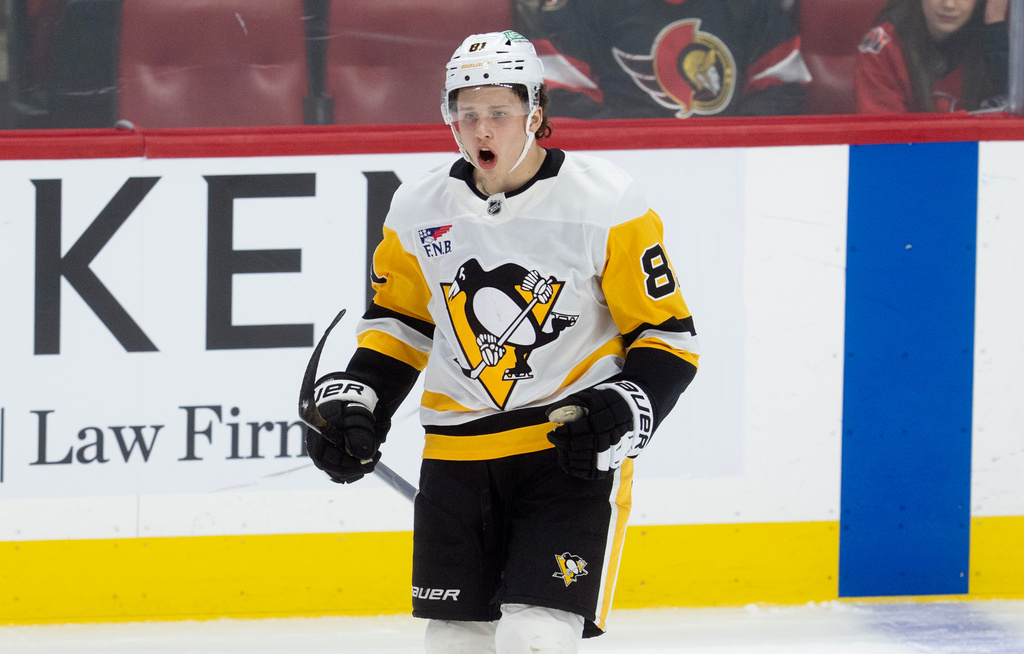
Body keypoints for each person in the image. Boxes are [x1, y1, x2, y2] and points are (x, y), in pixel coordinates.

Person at [303, 30, 699, 654]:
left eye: (499, 113)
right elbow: (399, 327)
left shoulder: (607, 202)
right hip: (457, 456)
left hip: (565, 454)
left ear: (535, 113)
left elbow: (668, 337)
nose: (481, 130)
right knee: (455, 642)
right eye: (467, 114)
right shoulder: (417, 207)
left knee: (535, 637)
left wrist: (626, 405)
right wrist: (362, 400)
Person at [512, 0, 810, 119]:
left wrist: (726, 145)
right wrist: (642, 143)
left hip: (728, 168)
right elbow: (558, 97)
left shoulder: (749, 5)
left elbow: (782, 88)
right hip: (619, 171)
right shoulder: (583, 6)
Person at [854, 0, 1009, 113]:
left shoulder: (995, 37)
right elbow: (884, 140)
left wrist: (995, 27)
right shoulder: (884, 46)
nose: (949, 4)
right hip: (907, 155)